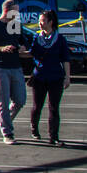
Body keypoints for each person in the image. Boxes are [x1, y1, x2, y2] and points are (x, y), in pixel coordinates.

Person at [0, 0, 30, 144]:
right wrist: (0, 49)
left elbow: (23, 41)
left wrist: (22, 47)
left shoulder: (14, 25)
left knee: (20, 100)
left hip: (16, 66)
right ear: (7, 10)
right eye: (15, 11)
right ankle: (7, 133)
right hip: (0, 68)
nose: (18, 14)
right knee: (3, 100)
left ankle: (4, 118)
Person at [29, 10, 71, 146]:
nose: (40, 23)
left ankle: (54, 136)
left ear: (51, 22)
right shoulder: (36, 38)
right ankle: (34, 129)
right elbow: (31, 53)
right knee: (37, 106)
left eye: (42, 20)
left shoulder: (60, 39)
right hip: (39, 77)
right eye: (39, 21)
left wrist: (67, 77)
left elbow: (65, 59)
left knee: (54, 107)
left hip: (55, 77)